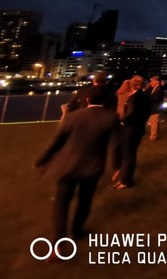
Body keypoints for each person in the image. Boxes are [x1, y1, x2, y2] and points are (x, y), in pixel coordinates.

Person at [35, 86, 119, 243]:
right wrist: (116, 167)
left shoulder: (72, 117)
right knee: (84, 200)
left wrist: (42, 159)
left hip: (68, 166)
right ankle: (77, 231)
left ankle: (59, 239)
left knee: (61, 203)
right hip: (93, 167)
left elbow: (56, 143)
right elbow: (115, 145)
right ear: (106, 100)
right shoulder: (111, 117)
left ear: (87, 99)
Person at [113, 75, 149, 189]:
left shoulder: (135, 97)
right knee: (129, 154)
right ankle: (124, 178)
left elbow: (131, 113)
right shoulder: (144, 95)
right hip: (137, 129)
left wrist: (122, 121)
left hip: (131, 130)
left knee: (128, 155)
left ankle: (126, 181)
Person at [144, 75, 165, 141]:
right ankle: (154, 135)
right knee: (154, 122)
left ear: (157, 82)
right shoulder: (155, 88)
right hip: (154, 108)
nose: (151, 83)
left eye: (152, 81)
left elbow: (156, 98)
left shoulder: (159, 89)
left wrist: (147, 96)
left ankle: (153, 136)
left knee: (154, 122)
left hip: (156, 108)